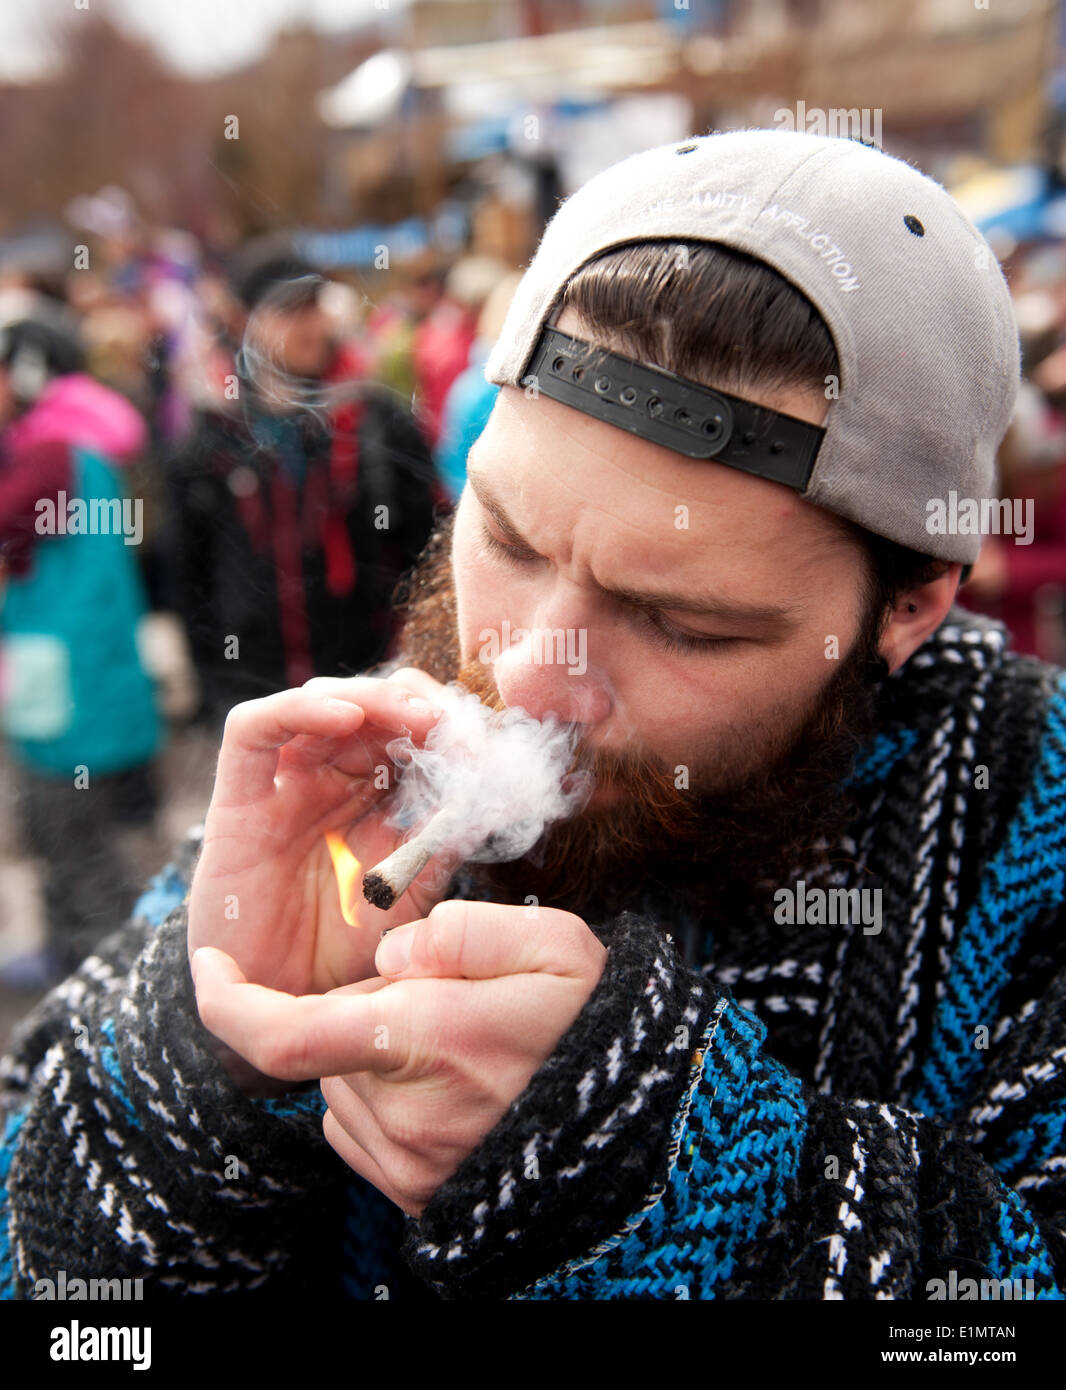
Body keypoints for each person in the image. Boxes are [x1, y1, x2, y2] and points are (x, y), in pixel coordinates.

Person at [1, 130, 1062, 1302]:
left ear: (905, 608)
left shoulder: (1031, 824)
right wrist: (204, 1058)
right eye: (506, 537)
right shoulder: (367, 767)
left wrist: (651, 1174)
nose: (524, 679)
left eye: (684, 624)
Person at [164, 251, 442, 727]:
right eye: (289, 311)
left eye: (315, 306)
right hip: (253, 694)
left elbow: (432, 553)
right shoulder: (212, 437)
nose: (311, 325)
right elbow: (190, 578)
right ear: (242, 320)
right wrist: (214, 686)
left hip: (367, 689)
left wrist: (418, 663)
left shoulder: (376, 422)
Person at [0, 316, 163, 986]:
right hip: (86, 679)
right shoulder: (81, 447)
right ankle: (79, 964)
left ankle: (111, 985)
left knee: (76, 846)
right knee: (71, 841)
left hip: (68, 691)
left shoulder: (49, 453)